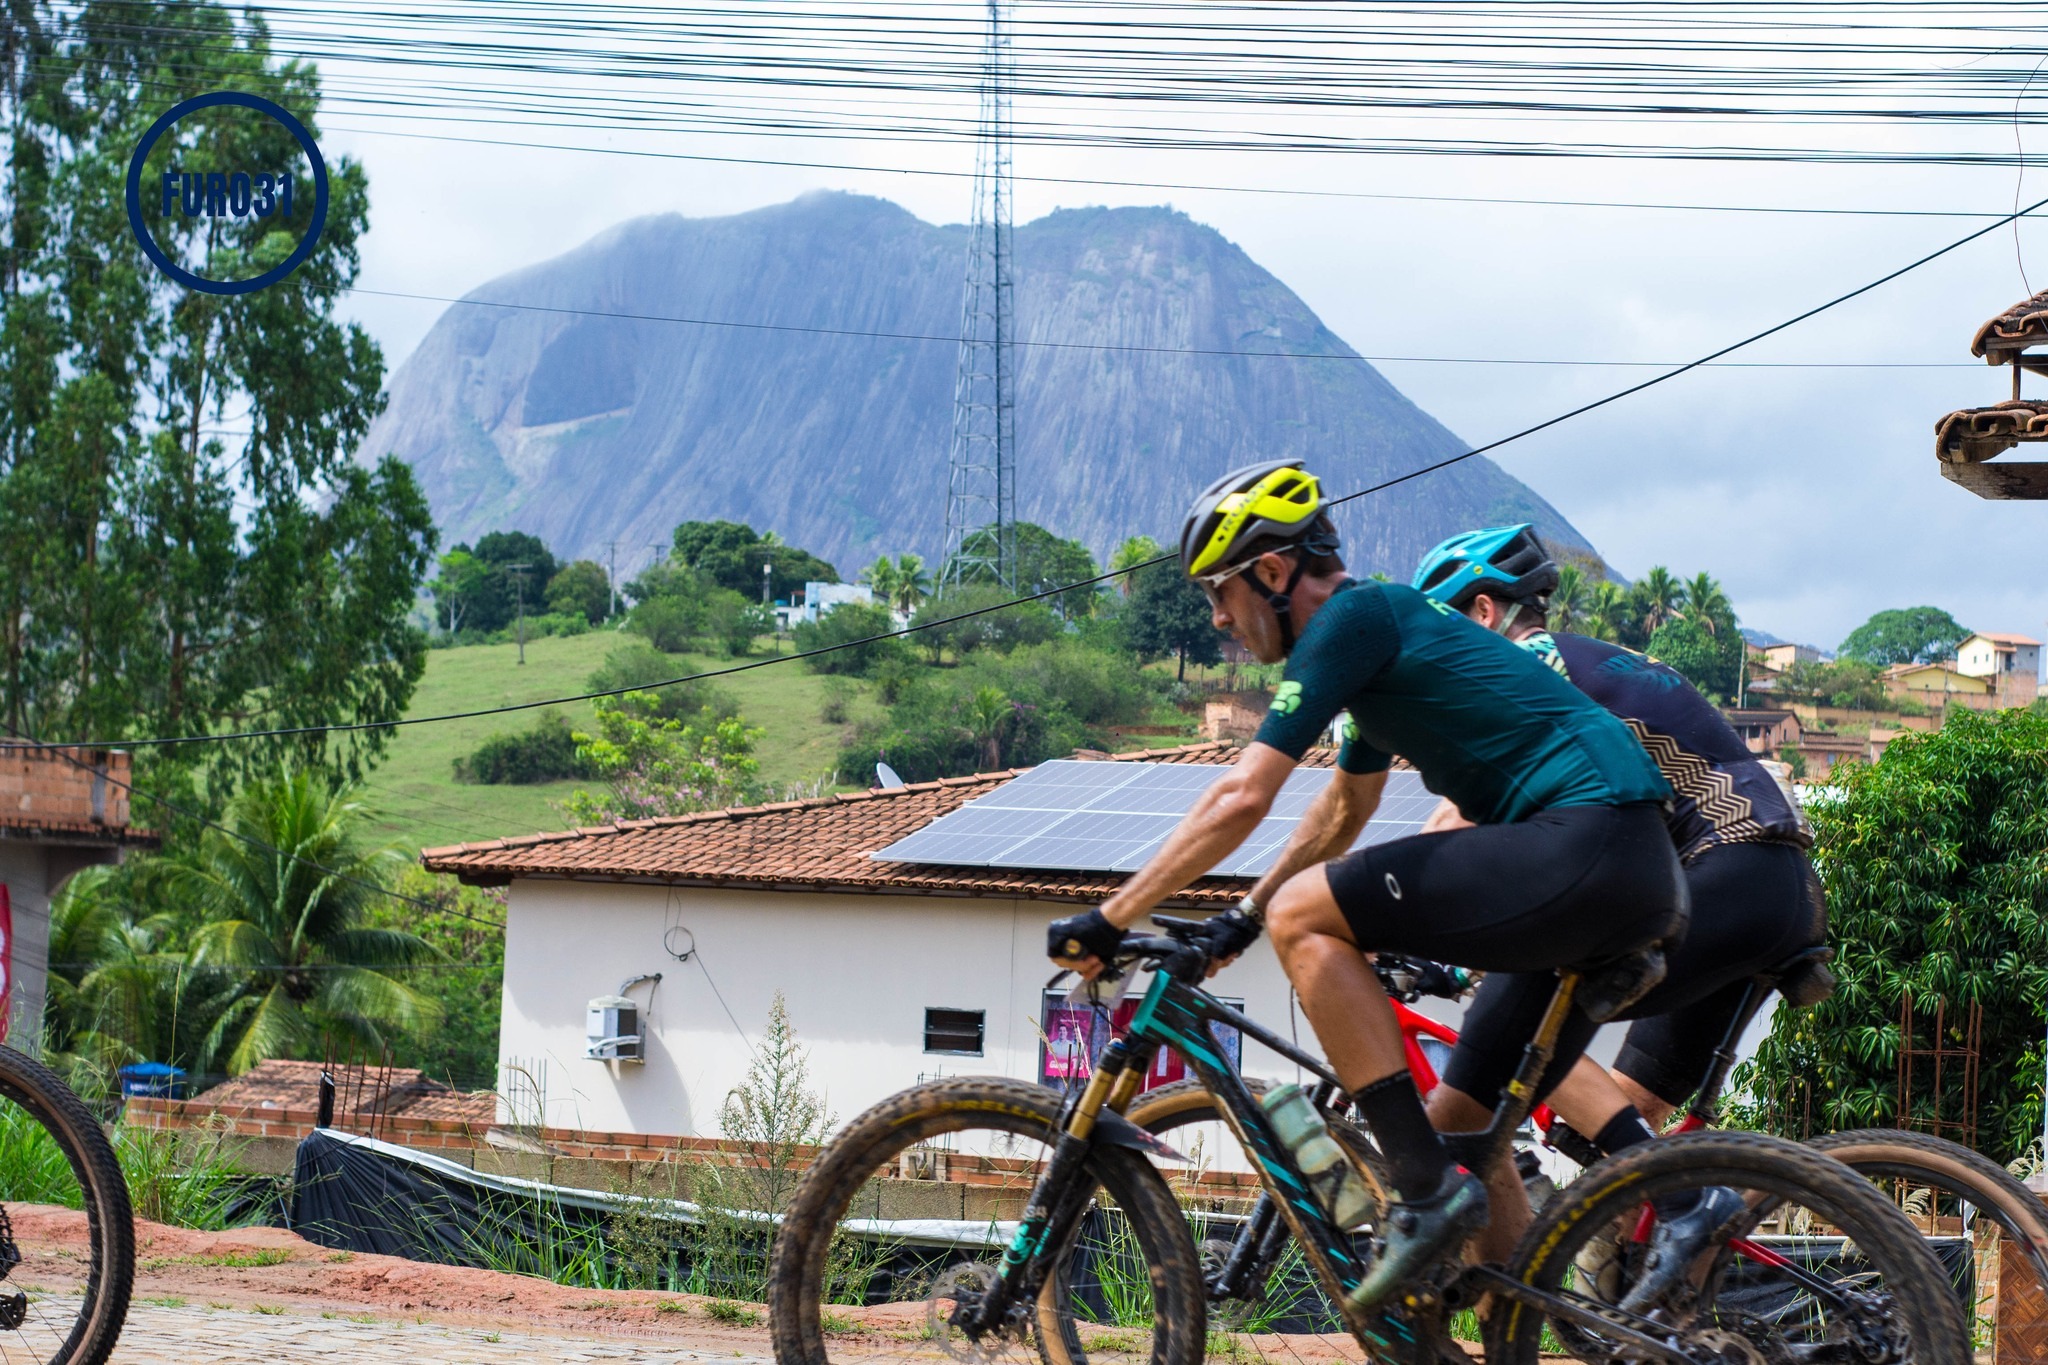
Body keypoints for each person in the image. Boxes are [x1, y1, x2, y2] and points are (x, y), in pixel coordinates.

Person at [1045, 461, 1686, 1309]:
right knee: (1470, 1126)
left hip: (1587, 840)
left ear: (1272, 573)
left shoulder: (1351, 618)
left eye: (1221, 593)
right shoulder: (1386, 629)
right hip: (1630, 866)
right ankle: (1634, 1229)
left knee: (1306, 916)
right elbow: (1345, 806)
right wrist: (1239, 915)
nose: (1218, 619)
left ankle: (1422, 1193)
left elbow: (1243, 794)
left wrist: (1110, 914)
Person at [1409, 523, 1825, 1298]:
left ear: (1486, 611)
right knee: (1629, 1117)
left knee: (1528, 1027)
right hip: (1772, 885)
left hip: (1724, 870)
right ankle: (1664, 1320)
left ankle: (1684, 1202)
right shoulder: (1582, 662)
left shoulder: (1523, 664)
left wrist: (1387, 914)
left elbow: (1460, 821)